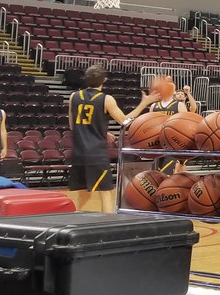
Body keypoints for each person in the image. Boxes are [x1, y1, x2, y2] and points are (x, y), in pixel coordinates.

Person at [69, 65, 158, 211]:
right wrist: (144, 103)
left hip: (78, 154)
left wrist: (102, 131)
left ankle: (73, 222)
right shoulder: (106, 99)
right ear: (104, 80)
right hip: (96, 154)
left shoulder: (74, 96)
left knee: (83, 194)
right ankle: (107, 227)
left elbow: (74, 125)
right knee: (105, 193)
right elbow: (124, 121)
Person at [146, 82, 186, 175]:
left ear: (174, 92)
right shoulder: (154, 106)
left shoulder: (179, 105)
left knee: (167, 175)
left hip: (172, 143)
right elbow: (148, 124)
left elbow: (185, 125)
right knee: (155, 175)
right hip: (156, 143)